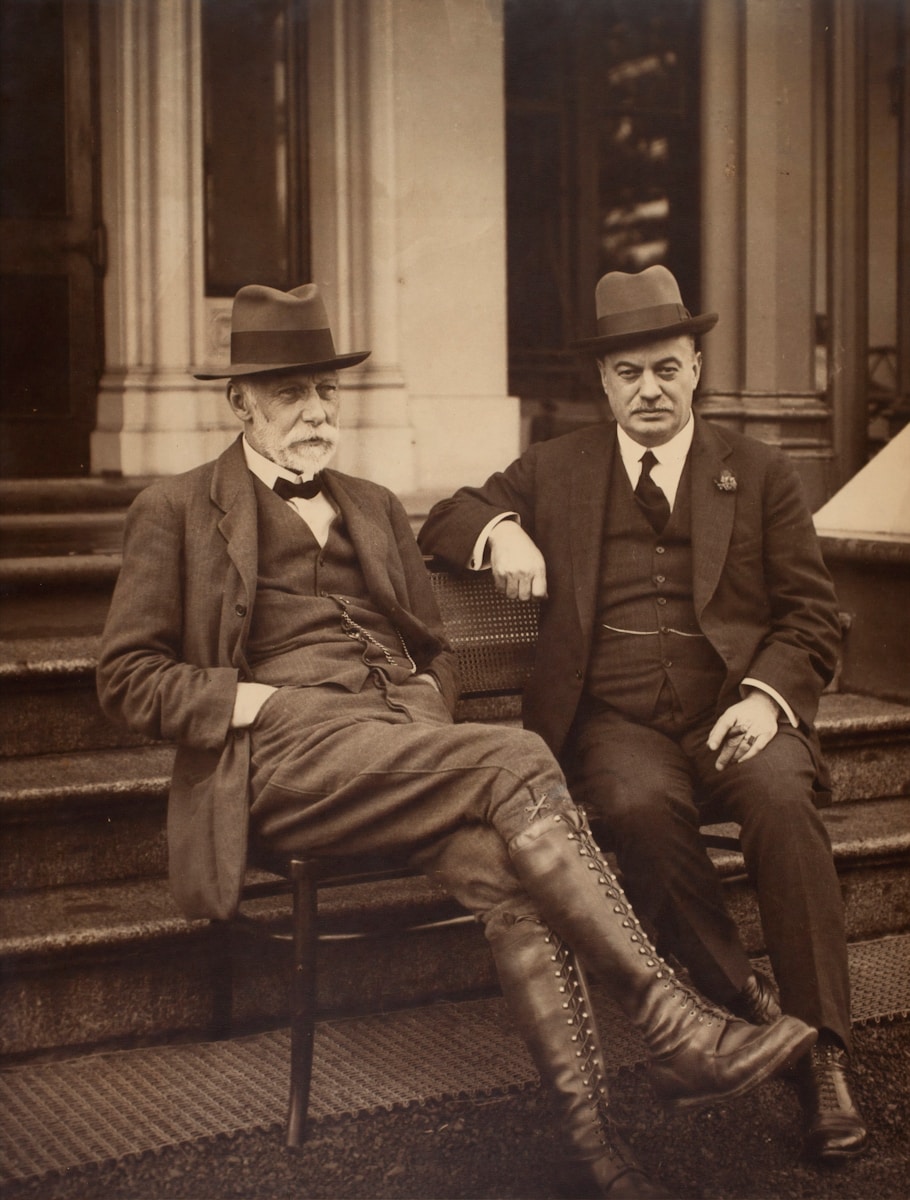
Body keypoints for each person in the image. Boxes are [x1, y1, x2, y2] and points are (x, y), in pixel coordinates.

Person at [97, 282, 814, 1200]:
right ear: (240, 402)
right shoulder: (176, 507)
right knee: (517, 754)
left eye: (327, 393)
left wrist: (424, 720)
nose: (316, 413)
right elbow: (126, 680)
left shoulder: (371, 500)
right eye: (290, 395)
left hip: (401, 753)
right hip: (279, 759)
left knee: (504, 870)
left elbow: (431, 649)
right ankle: (675, 1028)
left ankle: (593, 1154)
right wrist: (261, 703)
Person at [419, 265, 867, 1164]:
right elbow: (445, 517)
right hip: (617, 723)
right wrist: (501, 531)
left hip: (735, 711)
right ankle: (746, 1009)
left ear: (696, 368)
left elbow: (814, 615)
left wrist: (767, 697)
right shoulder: (558, 468)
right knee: (632, 809)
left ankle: (823, 1053)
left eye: (665, 368)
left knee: (783, 801)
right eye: (629, 374)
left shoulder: (761, 471)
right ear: (602, 382)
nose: (649, 389)